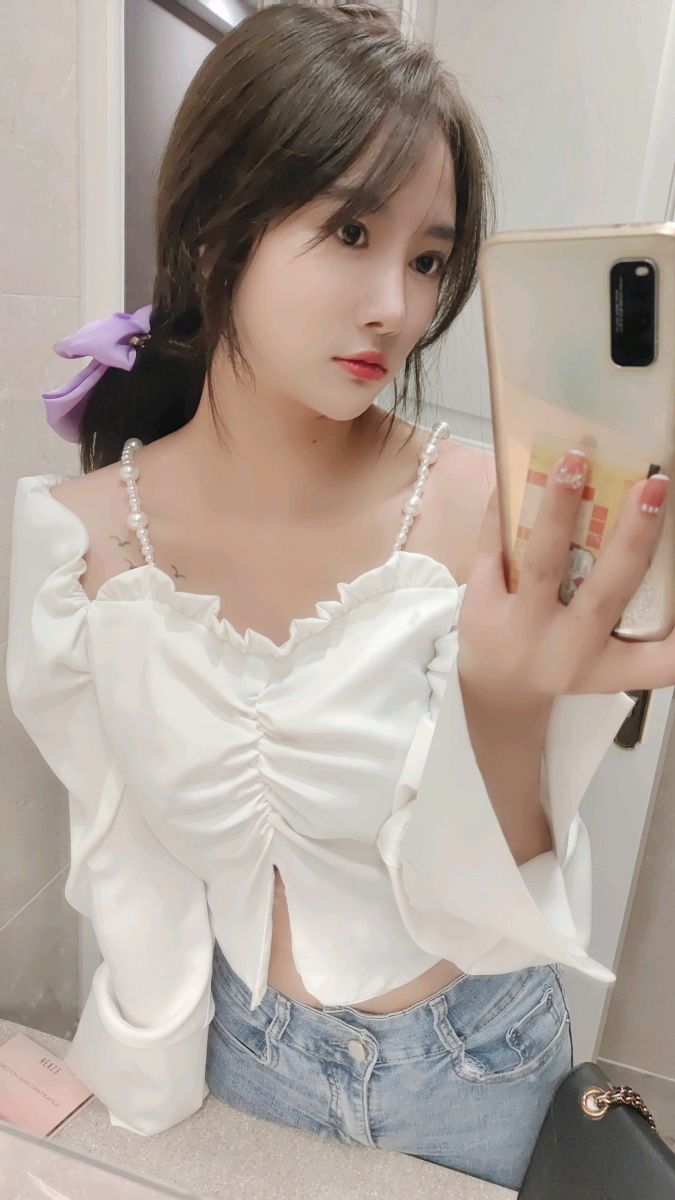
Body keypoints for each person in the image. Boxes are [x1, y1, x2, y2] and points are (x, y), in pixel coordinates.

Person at [5, 2, 670, 1190]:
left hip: (474, 1064)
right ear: (213, 224)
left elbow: (490, 913)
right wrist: (138, 1092)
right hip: (243, 1055)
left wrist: (505, 702)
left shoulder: (488, 514)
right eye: (352, 229)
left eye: (427, 258)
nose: (398, 308)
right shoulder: (81, 542)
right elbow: (124, 855)